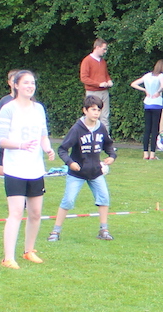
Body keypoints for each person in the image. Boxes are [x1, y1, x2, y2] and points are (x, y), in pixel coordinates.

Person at [0, 70, 54, 268]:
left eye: (33, 83)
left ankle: (29, 251)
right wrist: (20, 145)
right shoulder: (8, 109)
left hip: (35, 169)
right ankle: (8, 258)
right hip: (15, 169)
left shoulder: (39, 109)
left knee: (36, 212)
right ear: (16, 85)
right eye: (26, 83)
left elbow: (43, 135)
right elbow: (1, 140)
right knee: (16, 212)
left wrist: (47, 149)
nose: (30, 86)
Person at [49, 95, 117, 242]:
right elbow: (62, 149)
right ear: (85, 110)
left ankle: (103, 230)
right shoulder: (77, 129)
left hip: (96, 172)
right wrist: (70, 163)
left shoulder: (101, 128)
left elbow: (108, 145)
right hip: (77, 174)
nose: (96, 113)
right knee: (68, 200)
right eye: (93, 110)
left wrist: (111, 156)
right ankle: (55, 232)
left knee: (104, 198)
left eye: (98, 110)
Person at [130, 60, 163, 160]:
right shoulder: (161, 76)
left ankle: (145, 153)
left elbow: (133, 84)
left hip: (147, 103)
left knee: (147, 129)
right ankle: (152, 154)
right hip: (157, 103)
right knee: (155, 129)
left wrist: (144, 90)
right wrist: (158, 91)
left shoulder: (147, 76)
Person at [79, 39, 113, 130]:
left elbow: (105, 75)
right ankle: (91, 136)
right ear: (97, 47)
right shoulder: (87, 61)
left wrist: (109, 80)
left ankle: (105, 139)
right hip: (92, 93)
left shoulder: (103, 62)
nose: (105, 51)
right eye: (104, 49)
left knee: (105, 116)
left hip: (104, 92)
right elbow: (84, 78)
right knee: (92, 116)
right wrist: (98, 84)